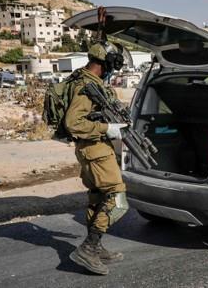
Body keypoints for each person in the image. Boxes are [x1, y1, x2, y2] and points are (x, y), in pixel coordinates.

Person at [65, 42, 128, 275]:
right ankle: (88, 248)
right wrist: (106, 128)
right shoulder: (85, 86)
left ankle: (96, 245)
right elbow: (74, 123)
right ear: (104, 63)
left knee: (97, 196)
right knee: (116, 197)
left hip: (92, 149)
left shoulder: (87, 82)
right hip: (94, 148)